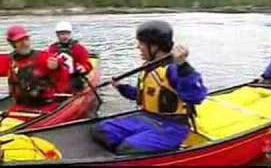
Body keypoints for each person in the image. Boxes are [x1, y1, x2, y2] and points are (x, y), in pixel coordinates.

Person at [92, 20, 207, 154]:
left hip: (171, 127)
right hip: (146, 118)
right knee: (100, 130)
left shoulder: (175, 70)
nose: (138, 47)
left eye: (141, 43)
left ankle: (136, 151)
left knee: (127, 148)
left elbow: (196, 97)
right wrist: (121, 87)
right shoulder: (148, 67)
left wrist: (183, 66)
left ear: (154, 46)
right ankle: (128, 152)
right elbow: (141, 96)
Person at [0, 25, 70, 113]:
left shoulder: (44, 57)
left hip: (47, 107)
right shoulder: (8, 60)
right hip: (20, 107)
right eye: (19, 41)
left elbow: (64, 82)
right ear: (12, 43)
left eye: (26, 39)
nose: (24, 43)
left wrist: (57, 68)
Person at [48, 21, 92, 92]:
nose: (65, 36)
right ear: (57, 35)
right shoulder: (52, 49)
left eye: (67, 34)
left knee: (70, 86)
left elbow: (87, 64)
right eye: (62, 34)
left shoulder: (79, 48)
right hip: (59, 78)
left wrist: (84, 68)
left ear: (70, 34)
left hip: (74, 77)